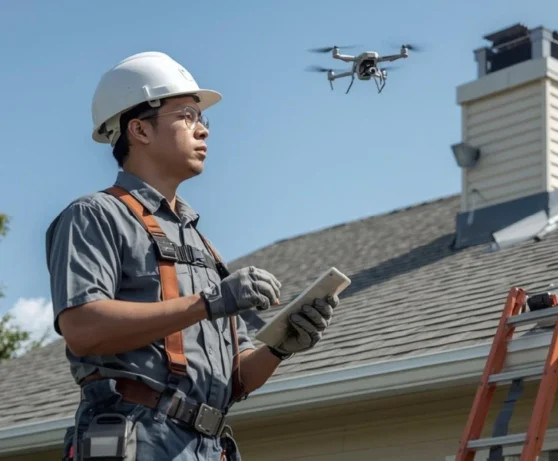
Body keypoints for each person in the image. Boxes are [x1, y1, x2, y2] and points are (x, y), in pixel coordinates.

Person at [45, 51, 339, 461]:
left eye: (203, 119)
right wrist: (209, 302)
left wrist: (280, 346)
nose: (203, 131)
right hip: (138, 439)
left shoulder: (201, 245)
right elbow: (82, 327)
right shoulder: (95, 215)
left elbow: (237, 379)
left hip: (206, 445)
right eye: (187, 116)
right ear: (139, 130)